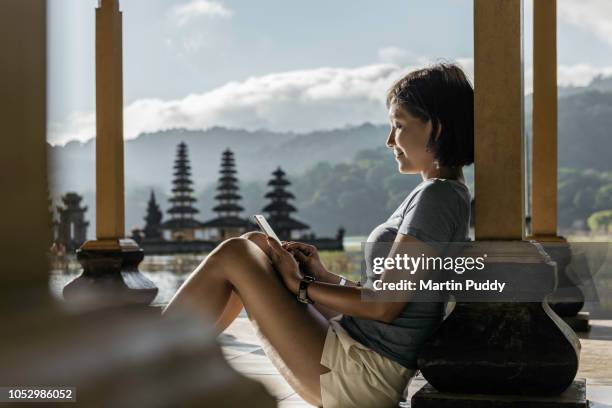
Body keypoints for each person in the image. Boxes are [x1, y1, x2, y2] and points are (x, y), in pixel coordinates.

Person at [163, 63, 474, 408]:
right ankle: (166, 368)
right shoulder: (442, 194)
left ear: (438, 126)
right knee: (258, 247)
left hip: (364, 373)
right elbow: (390, 295)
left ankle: (139, 363)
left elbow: (386, 306)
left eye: (398, 126)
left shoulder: (437, 197)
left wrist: (302, 286)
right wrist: (324, 276)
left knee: (235, 254)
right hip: (362, 348)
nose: (389, 141)